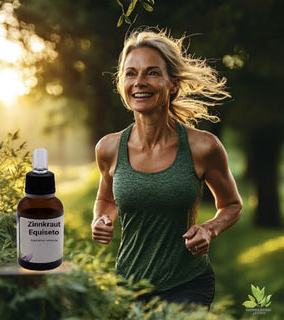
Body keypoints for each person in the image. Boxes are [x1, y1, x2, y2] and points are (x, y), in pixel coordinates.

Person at [91, 27, 242, 308]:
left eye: (152, 72)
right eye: (131, 73)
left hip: (188, 284)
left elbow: (232, 204)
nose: (140, 82)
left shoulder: (203, 147)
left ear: (173, 84)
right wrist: (100, 218)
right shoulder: (108, 148)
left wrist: (210, 229)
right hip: (129, 286)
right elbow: (106, 199)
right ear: (121, 83)